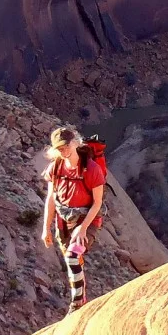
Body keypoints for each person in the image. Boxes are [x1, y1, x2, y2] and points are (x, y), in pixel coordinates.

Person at [41, 127, 105, 314]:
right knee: (72, 262)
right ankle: (79, 297)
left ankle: (77, 303)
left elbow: (97, 203)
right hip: (64, 222)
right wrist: (46, 228)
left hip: (88, 221)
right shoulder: (55, 168)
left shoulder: (91, 169)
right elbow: (51, 199)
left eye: (66, 146)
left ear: (75, 142)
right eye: (60, 149)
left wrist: (83, 228)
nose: (64, 151)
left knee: (72, 257)